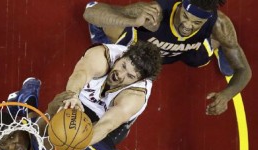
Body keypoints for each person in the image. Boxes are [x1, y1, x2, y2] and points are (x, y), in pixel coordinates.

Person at [83, 0, 252, 115]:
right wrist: (134, 22)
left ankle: (219, 44)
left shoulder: (220, 24)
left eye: (196, 23)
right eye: (185, 16)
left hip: (182, 52)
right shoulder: (156, 11)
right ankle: (101, 31)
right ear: (179, 7)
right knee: (116, 33)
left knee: (200, 60)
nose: (187, 25)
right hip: (143, 48)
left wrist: (226, 95)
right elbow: (90, 12)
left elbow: (244, 70)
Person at [0, 77, 131, 150]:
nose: (11, 145)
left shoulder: (49, 136)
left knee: (39, 122)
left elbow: (49, 114)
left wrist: (59, 104)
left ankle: (25, 104)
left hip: (100, 146)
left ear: (20, 128)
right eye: (4, 142)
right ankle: (24, 104)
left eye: (12, 137)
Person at [46, 41, 162, 150]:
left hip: (107, 119)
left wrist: (82, 144)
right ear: (121, 56)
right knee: (51, 128)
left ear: (138, 80)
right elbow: (80, 74)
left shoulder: (135, 96)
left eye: (130, 76)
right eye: (123, 66)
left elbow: (107, 124)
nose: (120, 75)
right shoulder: (101, 56)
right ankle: (30, 99)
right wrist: (72, 95)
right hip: (80, 100)